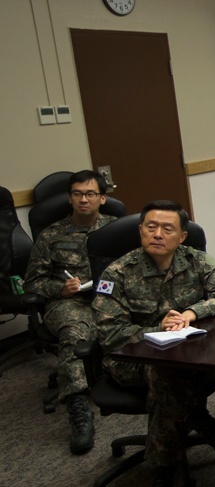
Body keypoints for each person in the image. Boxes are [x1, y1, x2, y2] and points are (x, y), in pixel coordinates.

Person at [93, 201, 215, 487]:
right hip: (130, 359)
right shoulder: (118, 272)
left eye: (167, 229)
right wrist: (157, 331)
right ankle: (169, 472)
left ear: (181, 236)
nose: (157, 234)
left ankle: (201, 448)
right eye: (150, 227)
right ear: (140, 231)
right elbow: (108, 332)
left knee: (166, 381)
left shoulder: (197, 261)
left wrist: (190, 313)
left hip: (188, 354)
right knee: (162, 373)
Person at [24, 170, 117, 454]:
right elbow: (32, 282)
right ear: (70, 198)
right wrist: (59, 289)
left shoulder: (118, 229)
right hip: (68, 303)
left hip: (108, 298)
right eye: (77, 194)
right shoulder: (51, 236)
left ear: (102, 198)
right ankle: (79, 410)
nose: (83, 200)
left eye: (90, 194)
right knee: (74, 332)